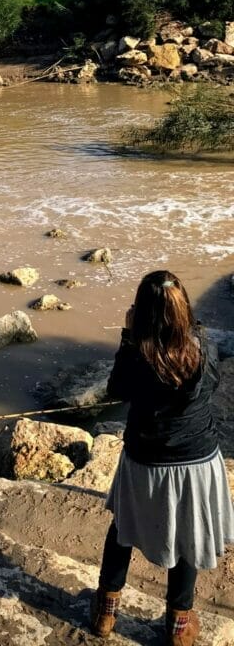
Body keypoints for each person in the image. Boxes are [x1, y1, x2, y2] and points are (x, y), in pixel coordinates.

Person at [91, 271, 234, 644]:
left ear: (142, 313)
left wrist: (128, 336)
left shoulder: (138, 353)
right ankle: (179, 625)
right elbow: (213, 383)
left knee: (122, 527)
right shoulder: (202, 344)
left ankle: (106, 611)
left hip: (145, 460)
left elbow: (116, 391)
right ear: (184, 307)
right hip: (197, 458)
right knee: (188, 535)